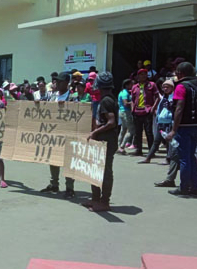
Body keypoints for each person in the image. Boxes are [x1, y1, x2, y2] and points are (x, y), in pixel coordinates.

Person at [165, 62, 197, 196]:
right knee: (191, 156)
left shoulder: (181, 87)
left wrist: (173, 129)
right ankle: (196, 187)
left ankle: (183, 187)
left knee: (184, 158)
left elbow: (179, 108)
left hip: (184, 126)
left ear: (180, 73)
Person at [85, 72, 119, 212]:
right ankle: (95, 199)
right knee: (96, 169)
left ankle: (104, 202)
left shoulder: (106, 101)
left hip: (107, 140)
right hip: (103, 139)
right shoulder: (108, 98)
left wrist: (95, 132)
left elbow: (111, 122)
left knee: (104, 171)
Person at [40, 72, 78, 198]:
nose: (57, 84)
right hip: (54, 134)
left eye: (60, 81)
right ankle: (54, 184)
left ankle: (69, 188)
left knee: (68, 161)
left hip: (68, 135)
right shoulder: (52, 97)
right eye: (56, 81)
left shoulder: (72, 97)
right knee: (53, 159)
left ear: (67, 83)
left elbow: (78, 115)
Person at [139, 79, 174, 164]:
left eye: (167, 87)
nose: (165, 89)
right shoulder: (163, 98)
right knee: (157, 141)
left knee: (168, 142)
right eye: (164, 87)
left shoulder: (172, 98)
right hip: (161, 122)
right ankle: (148, 157)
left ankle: (168, 158)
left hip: (168, 122)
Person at [131, 68, 159, 156]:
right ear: (138, 76)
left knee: (148, 132)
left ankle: (151, 151)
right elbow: (132, 99)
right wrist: (132, 109)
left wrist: (153, 108)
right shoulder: (135, 87)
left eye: (144, 74)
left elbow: (157, 97)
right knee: (137, 132)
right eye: (141, 74)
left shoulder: (152, 85)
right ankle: (139, 150)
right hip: (137, 111)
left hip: (147, 111)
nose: (143, 76)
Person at [117, 79, 135, 154]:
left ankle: (118, 145)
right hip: (125, 112)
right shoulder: (125, 93)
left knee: (123, 129)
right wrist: (133, 102)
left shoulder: (123, 92)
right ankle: (122, 146)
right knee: (131, 130)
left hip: (121, 112)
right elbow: (125, 103)